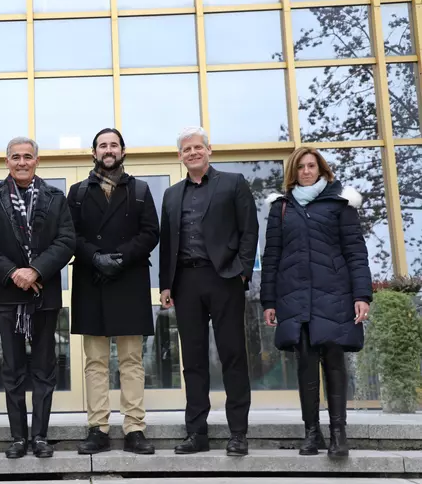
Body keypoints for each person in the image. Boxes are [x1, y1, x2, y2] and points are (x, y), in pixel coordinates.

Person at [261, 146, 371, 458]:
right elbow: (272, 257)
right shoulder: (281, 208)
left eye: (312, 166)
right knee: (306, 363)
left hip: (334, 295)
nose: (306, 171)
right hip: (296, 298)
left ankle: (339, 433)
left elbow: (356, 253)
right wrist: (269, 300)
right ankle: (312, 432)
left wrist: (361, 295)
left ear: (321, 170)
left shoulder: (340, 204)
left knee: (334, 362)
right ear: (293, 172)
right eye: (301, 167)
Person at [0, 137, 75, 459]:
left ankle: (40, 437)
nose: (21, 162)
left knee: (44, 368)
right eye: (15, 157)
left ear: (37, 161)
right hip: (6, 295)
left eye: (27, 157)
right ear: (7, 162)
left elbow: (67, 240)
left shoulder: (55, 197)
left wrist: (36, 270)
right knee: (13, 369)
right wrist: (13, 272)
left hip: (43, 294)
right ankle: (18, 437)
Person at [159, 127, 258, 457]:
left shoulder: (233, 183)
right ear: (180, 156)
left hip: (224, 279)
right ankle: (196, 432)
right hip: (186, 283)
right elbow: (167, 243)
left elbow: (249, 230)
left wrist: (243, 271)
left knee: (232, 355)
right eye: (186, 149)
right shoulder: (172, 195)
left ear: (209, 150)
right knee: (193, 361)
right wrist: (165, 284)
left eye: (197, 147)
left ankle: (238, 433)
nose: (192, 153)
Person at [67, 128, 159, 455]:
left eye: (114, 145)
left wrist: (119, 258)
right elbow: (70, 235)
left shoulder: (141, 190)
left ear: (123, 150)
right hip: (91, 281)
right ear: (94, 152)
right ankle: (98, 428)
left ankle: (134, 428)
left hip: (129, 280)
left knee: (132, 361)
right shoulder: (77, 192)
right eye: (102, 145)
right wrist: (95, 257)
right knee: (96, 362)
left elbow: (151, 233)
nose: (108, 150)